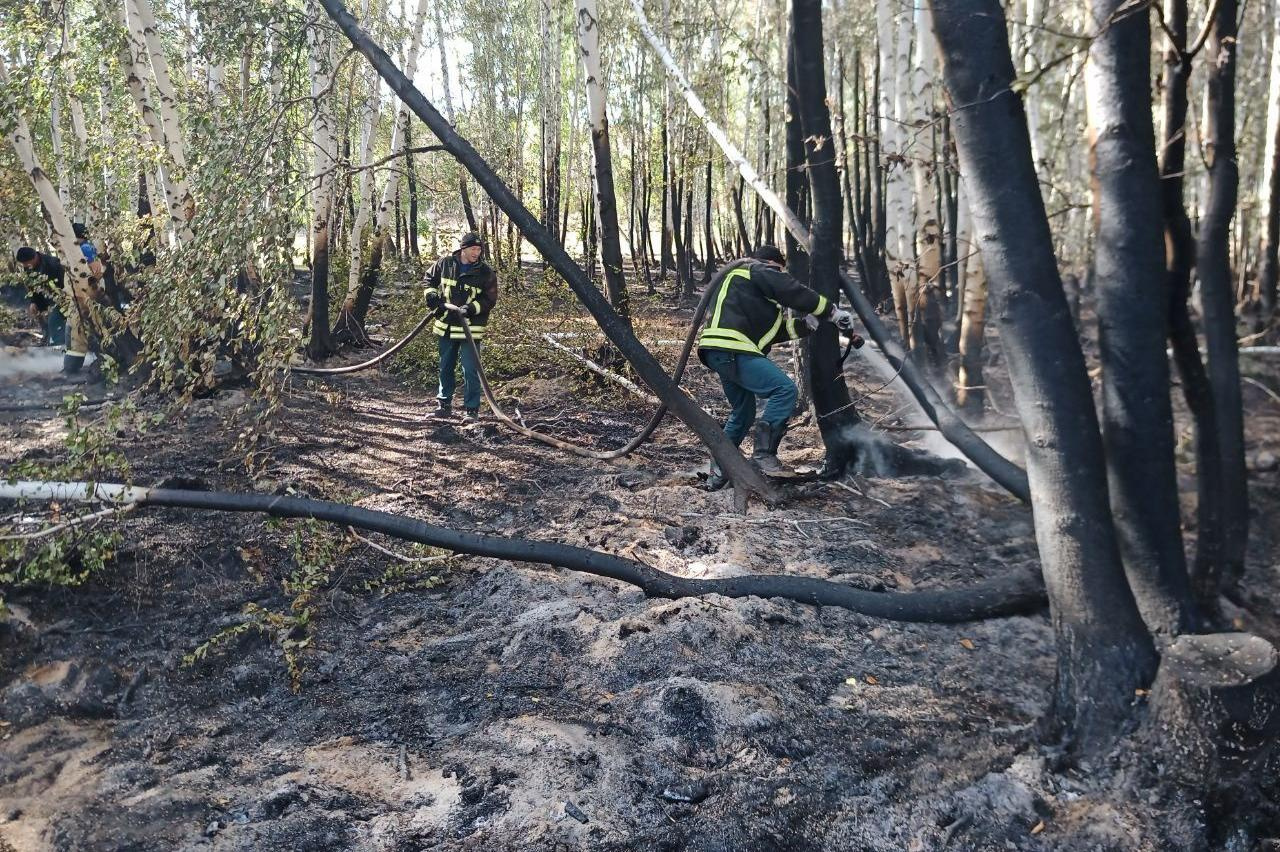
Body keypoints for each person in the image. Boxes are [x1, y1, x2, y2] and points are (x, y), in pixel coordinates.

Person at [697, 244, 860, 487]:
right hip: (733, 348)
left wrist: (808, 324)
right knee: (784, 390)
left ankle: (718, 472)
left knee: (743, 413)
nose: (779, 277)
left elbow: (773, 330)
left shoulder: (743, 286)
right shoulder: (754, 269)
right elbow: (790, 290)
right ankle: (763, 454)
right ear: (774, 266)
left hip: (718, 351)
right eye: (779, 273)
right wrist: (832, 311)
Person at [423, 232, 498, 419]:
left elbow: (490, 299)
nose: (477, 253)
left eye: (479, 249)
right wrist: (432, 297)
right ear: (463, 249)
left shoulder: (485, 272)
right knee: (445, 366)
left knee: (471, 370)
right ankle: (444, 405)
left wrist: (471, 308)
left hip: (470, 329)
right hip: (447, 325)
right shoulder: (445, 264)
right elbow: (428, 279)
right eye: (473, 249)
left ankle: (471, 410)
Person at [15, 246, 66, 347]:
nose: (25, 266)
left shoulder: (52, 264)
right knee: (45, 321)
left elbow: (63, 284)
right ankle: (48, 339)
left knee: (54, 320)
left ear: (34, 257)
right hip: (45, 298)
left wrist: (58, 301)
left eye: (26, 263)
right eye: (23, 264)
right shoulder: (28, 267)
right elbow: (33, 286)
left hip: (62, 297)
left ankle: (60, 347)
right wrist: (34, 302)